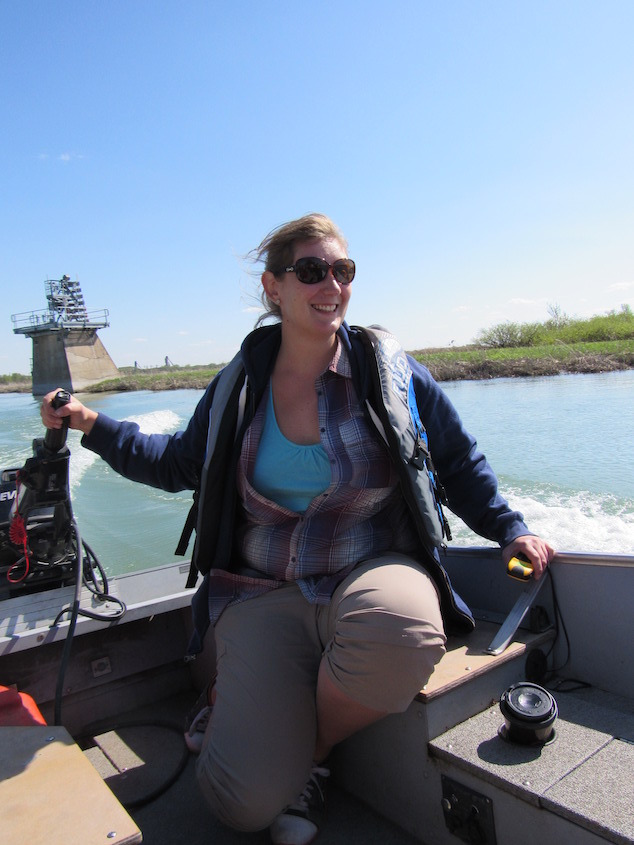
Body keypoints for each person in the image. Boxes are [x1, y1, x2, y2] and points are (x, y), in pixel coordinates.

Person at [41, 213, 554, 845]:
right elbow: (177, 463)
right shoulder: (239, 385)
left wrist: (509, 528)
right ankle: (241, 712)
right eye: (312, 271)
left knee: (405, 632)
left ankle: (307, 754)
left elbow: (455, 459)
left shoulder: (388, 369)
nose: (331, 285)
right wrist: (91, 422)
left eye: (343, 271)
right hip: (263, 588)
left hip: (370, 567)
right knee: (241, 806)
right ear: (273, 288)